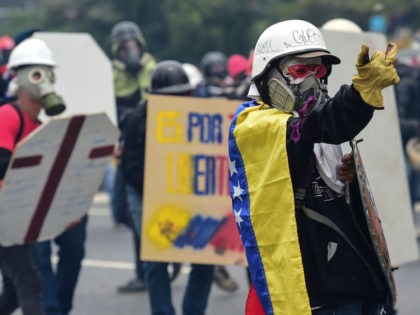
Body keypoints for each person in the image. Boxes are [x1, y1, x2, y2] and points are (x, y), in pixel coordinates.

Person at [228, 19, 400, 314]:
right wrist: (360, 94)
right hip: (313, 290)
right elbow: (313, 129)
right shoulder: (254, 124)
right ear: (269, 73)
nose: (312, 79)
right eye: (299, 70)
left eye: (318, 70)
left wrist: (348, 181)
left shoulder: (312, 118)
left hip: (353, 282)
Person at [126, 60, 214, 315]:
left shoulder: (202, 119)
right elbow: (131, 169)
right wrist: (161, 192)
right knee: (156, 259)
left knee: (205, 259)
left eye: (182, 96)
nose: (177, 101)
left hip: (186, 191)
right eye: (170, 97)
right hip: (147, 193)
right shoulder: (137, 121)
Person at [0, 37, 67, 315]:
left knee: (15, 291)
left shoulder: (39, 126)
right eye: (37, 72)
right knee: (29, 281)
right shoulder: (8, 116)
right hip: (4, 216)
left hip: (15, 216)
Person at [110, 20, 157, 293]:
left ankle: (147, 271)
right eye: (124, 48)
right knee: (122, 212)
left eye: (133, 46)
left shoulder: (153, 70)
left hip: (155, 153)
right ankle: (149, 263)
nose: (130, 52)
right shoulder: (112, 75)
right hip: (127, 154)